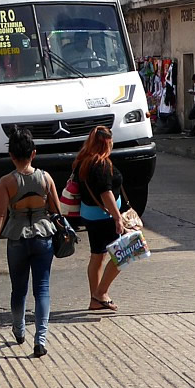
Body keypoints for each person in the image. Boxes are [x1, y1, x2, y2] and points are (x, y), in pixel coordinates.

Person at [0, 127, 59, 358]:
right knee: (42, 288)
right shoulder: (46, 178)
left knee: (19, 289)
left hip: (17, 237)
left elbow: (0, 214)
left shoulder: (6, 181)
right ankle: (41, 339)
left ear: (11, 156)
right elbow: (56, 210)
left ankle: (18, 329)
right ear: (33, 153)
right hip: (43, 235)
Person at [74, 126, 127, 313]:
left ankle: (94, 299)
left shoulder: (83, 161)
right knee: (123, 254)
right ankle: (101, 293)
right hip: (104, 216)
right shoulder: (102, 164)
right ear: (107, 143)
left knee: (97, 255)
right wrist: (118, 218)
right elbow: (106, 193)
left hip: (89, 215)